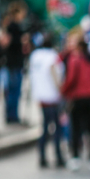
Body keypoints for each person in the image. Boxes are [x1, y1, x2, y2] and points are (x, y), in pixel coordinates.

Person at [61, 37, 90, 170]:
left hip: (78, 98)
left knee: (76, 129)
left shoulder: (75, 59)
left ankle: (76, 156)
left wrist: (63, 91)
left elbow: (70, 79)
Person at [28, 36, 65, 168]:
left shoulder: (35, 55)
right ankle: (58, 157)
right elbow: (54, 72)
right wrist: (60, 90)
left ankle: (42, 156)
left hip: (40, 96)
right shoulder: (51, 56)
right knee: (56, 128)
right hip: (52, 96)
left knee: (44, 127)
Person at [3, 1, 28, 124]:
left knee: (14, 90)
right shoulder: (13, 27)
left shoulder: (14, 26)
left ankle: (12, 114)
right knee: (14, 90)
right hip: (14, 63)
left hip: (15, 62)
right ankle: (12, 115)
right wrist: (22, 40)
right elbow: (11, 44)